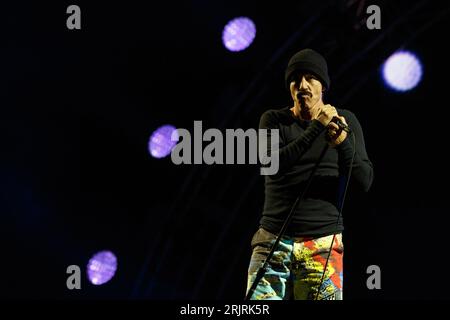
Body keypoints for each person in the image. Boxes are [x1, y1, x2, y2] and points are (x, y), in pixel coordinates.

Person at [246, 48, 374, 300]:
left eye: (311, 78)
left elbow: (364, 181)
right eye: (296, 79)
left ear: (323, 86)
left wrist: (343, 144)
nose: (303, 85)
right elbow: (272, 163)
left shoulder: (346, 120)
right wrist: (317, 127)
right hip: (273, 241)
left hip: (322, 245)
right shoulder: (273, 120)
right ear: (289, 87)